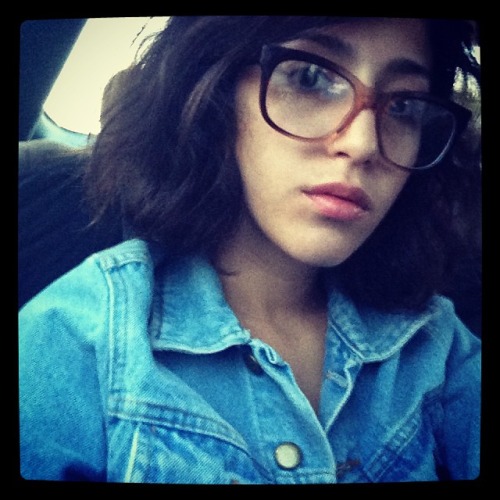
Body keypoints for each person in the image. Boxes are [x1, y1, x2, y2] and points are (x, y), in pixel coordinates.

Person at [19, 16, 481, 484]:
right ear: (215, 92)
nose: (363, 144)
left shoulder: (436, 345)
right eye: (310, 78)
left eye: (403, 105)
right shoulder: (75, 340)